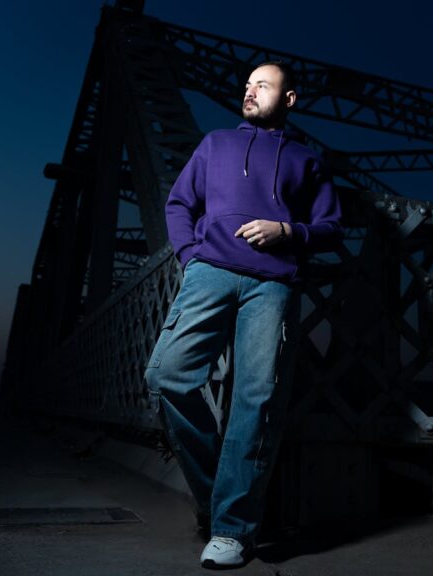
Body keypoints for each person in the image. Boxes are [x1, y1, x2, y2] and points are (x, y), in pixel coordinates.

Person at [144, 60, 343, 569]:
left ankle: (231, 528)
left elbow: (330, 226)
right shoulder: (216, 144)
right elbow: (178, 203)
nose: (250, 92)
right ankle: (225, 498)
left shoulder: (306, 160)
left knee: (257, 400)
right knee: (168, 374)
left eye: (264, 85)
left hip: (274, 284)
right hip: (209, 273)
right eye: (248, 85)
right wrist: (191, 257)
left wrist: (288, 233)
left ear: (290, 99)